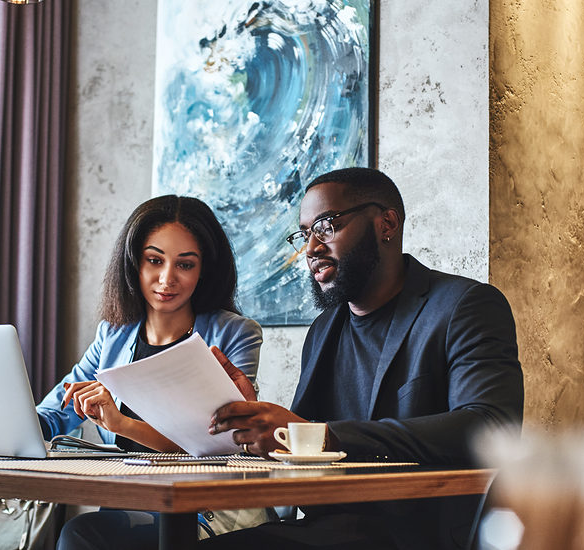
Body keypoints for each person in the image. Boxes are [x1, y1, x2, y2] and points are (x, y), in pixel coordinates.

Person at [205, 167, 524, 550]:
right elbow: (298, 451)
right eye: (304, 235)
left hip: (417, 535)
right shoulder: (324, 330)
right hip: (327, 528)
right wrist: (253, 419)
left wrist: (325, 437)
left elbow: (490, 425)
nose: (311, 249)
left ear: (386, 223)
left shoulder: (464, 306)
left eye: (326, 226)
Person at [34, 195, 268, 547]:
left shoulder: (234, 334)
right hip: (131, 506)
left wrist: (122, 425)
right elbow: (56, 412)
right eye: (154, 261)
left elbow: (217, 445)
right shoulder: (113, 335)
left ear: (204, 269)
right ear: (133, 264)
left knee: (80, 535)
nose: (166, 278)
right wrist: (6, 426)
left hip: (209, 511)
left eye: (185, 265)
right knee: (82, 533)